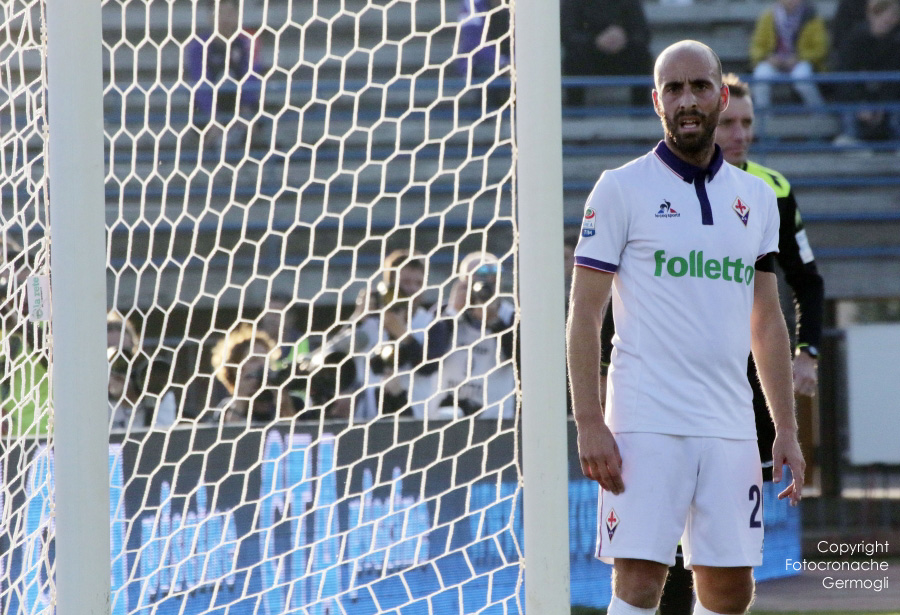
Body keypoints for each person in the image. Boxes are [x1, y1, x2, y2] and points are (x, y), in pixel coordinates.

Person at [567, 41, 805, 615]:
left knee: (730, 589)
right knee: (640, 579)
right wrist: (590, 422)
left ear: (721, 96)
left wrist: (786, 427)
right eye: (673, 89)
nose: (687, 100)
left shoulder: (757, 198)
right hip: (644, 420)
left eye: (699, 86)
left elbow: (767, 319)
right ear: (657, 102)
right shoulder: (620, 188)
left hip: (730, 422)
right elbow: (584, 314)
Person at [650, 73, 825, 614]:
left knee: (728, 550)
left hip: (745, 388)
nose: (740, 134)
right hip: (667, 389)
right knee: (662, 543)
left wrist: (807, 352)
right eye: (730, 123)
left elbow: (807, 281)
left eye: (747, 123)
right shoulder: (657, 188)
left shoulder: (772, 192)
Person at [322, 249, 435, 420]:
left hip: (414, 419)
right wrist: (357, 318)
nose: (412, 289)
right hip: (364, 419)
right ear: (390, 284)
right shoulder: (370, 321)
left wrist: (400, 332)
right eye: (405, 282)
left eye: (418, 283)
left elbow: (429, 367)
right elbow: (332, 353)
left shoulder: (431, 323)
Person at [427, 252, 515, 420]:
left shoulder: (510, 315)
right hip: (446, 414)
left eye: (491, 278)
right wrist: (453, 313)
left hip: (495, 417)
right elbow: (429, 359)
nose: (484, 285)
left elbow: (518, 360)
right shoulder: (443, 313)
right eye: (477, 277)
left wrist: (494, 322)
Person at [185, 0, 261, 153]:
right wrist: (213, 117)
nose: (225, 19)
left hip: (240, 105)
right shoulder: (198, 45)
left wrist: (244, 109)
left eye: (230, 13)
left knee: (256, 115)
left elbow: (252, 76)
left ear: (238, 16)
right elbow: (201, 82)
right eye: (220, 13)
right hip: (208, 107)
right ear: (210, 17)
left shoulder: (248, 42)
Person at [559, 0, 653, 106]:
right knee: (574, 58)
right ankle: (575, 108)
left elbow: (643, 33)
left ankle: (641, 108)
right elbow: (567, 34)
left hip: (623, 54)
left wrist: (624, 38)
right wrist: (595, 41)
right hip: (588, 56)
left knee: (642, 55)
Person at [0, 237, 50, 438]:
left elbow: (50, 356)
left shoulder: (51, 323)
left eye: (23, 286)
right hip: (9, 441)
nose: (17, 293)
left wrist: (21, 322)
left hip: (49, 435)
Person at [832, 0, 900, 145]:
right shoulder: (854, 40)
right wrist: (860, 104)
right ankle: (850, 139)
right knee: (848, 108)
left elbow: (893, 80)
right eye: (880, 15)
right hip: (856, 95)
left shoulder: (896, 43)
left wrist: (883, 105)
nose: (885, 21)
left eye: (890, 18)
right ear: (870, 15)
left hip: (885, 96)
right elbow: (845, 77)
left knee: (894, 108)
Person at [205, 322, 296, 424]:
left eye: (266, 359)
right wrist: (240, 398)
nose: (263, 365)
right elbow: (230, 431)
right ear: (236, 369)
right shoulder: (227, 409)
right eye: (254, 360)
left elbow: (294, 430)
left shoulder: (294, 402)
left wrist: (284, 404)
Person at [749, 0, 828, 108]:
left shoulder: (812, 17)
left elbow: (820, 49)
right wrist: (767, 57)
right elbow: (757, 46)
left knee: (802, 78)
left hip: (801, 61)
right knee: (761, 75)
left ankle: (819, 112)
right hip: (774, 62)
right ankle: (764, 116)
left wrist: (799, 58)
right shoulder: (768, 17)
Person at [456, 0, 511, 108]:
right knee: (489, 72)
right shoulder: (472, 4)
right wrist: (503, 62)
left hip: (509, 60)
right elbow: (473, 43)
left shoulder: (519, 6)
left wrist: (512, 62)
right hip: (481, 62)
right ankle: (489, 113)